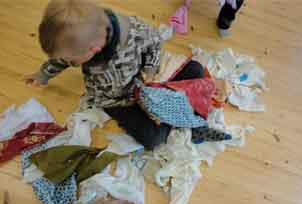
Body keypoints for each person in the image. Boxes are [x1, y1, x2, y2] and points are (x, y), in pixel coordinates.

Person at [22, 0, 219, 149]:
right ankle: (176, 115)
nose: (71, 63)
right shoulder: (79, 43)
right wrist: (43, 74)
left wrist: (150, 68)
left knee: (195, 69)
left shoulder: (134, 31)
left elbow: (155, 43)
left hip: (146, 82)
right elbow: (61, 58)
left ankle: (177, 113)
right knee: (153, 140)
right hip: (116, 101)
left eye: (73, 61)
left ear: (93, 50)